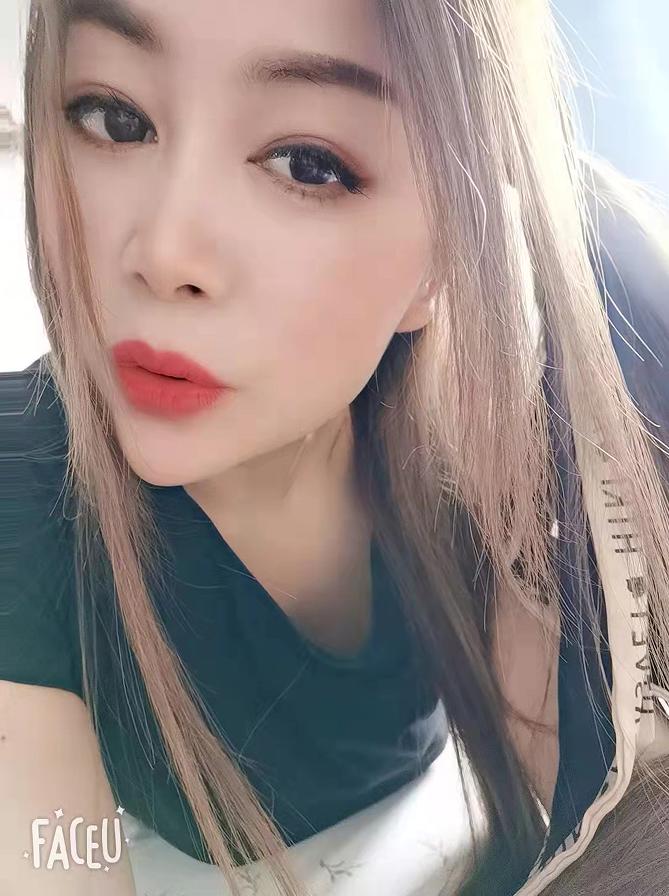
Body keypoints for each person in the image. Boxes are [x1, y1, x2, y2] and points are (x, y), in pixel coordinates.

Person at [1, 1, 668, 895]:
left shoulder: (470, 454)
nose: (164, 253)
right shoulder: (21, 488)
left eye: (307, 164)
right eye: (114, 118)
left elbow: (613, 803)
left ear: (445, 255)